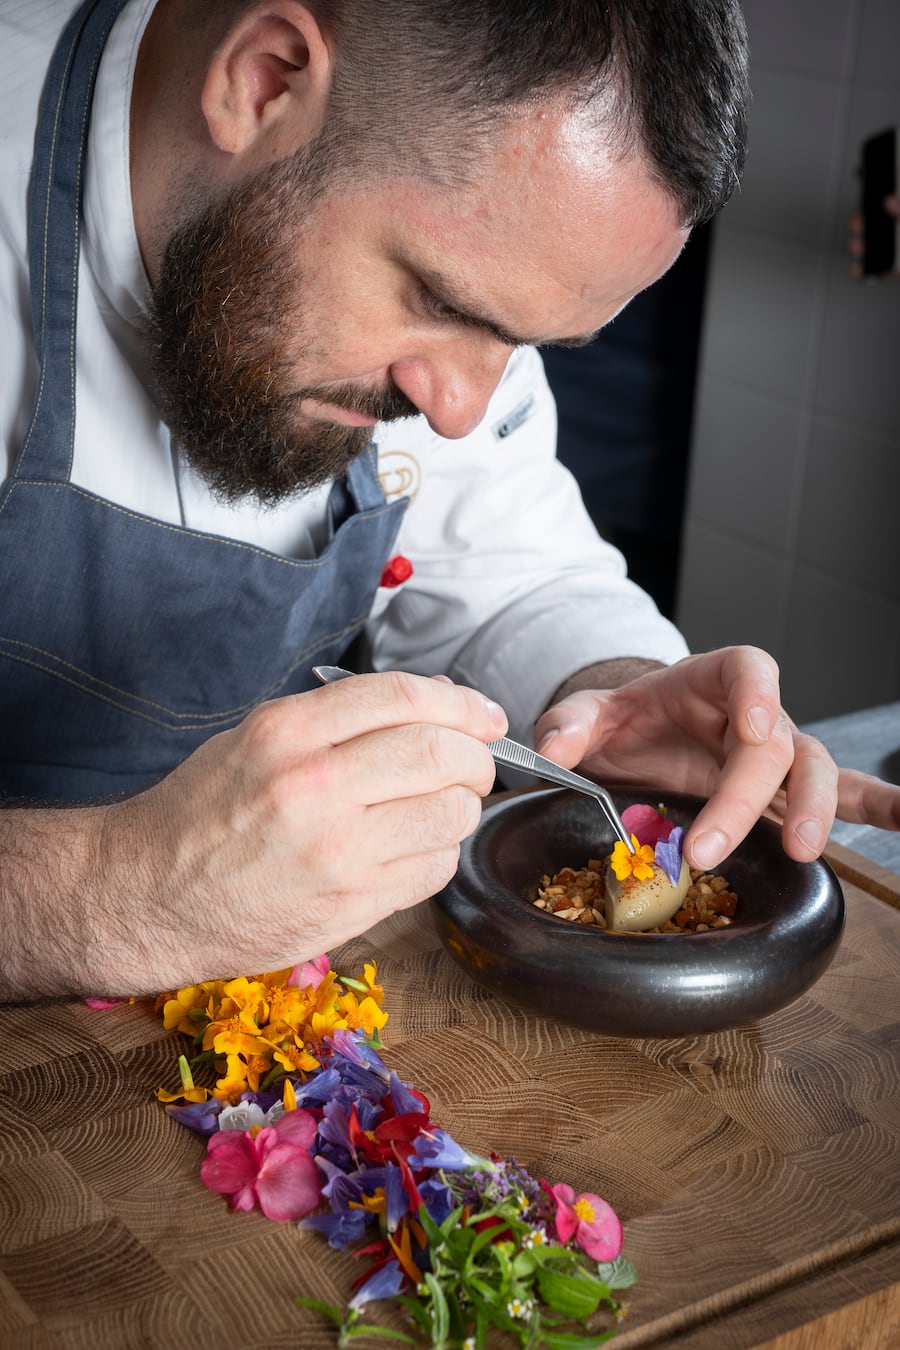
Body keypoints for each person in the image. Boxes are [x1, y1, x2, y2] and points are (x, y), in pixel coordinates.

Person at [1, 0, 897, 1002]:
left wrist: (613, 685)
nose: (463, 412)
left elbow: (505, 573)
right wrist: (111, 893)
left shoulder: (477, 241)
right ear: (265, 79)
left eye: (524, 344)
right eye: (442, 302)